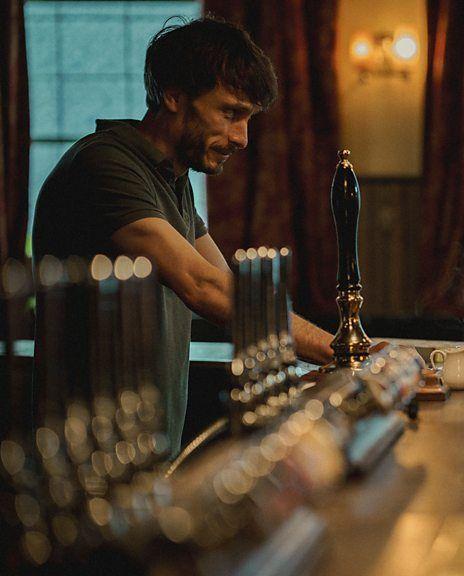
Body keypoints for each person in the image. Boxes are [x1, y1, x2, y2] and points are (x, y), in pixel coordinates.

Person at [31, 17, 334, 454]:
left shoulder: (171, 178)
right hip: (89, 459)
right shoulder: (105, 165)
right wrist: (337, 348)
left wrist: (327, 349)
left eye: (247, 118)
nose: (242, 138)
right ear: (173, 95)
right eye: (229, 113)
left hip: (146, 450)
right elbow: (203, 285)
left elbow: (232, 286)